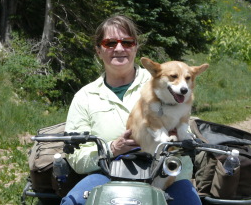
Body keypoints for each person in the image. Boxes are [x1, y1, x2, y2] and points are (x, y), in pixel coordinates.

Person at [61, 15, 201, 205]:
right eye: (110, 43)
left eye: (127, 42)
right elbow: (76, 157)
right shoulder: (84, 97)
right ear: (98, 50)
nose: (119, 48)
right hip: (108, 174)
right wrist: (112, 148)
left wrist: (176, 136)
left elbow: (185, 125)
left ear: (135, 47)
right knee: (72, 202)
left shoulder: (165, 81)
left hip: (166, 173)